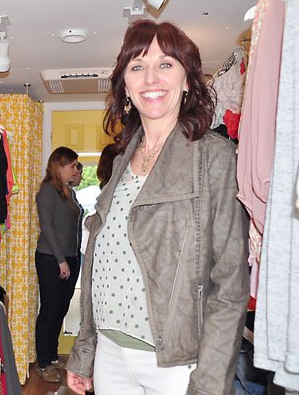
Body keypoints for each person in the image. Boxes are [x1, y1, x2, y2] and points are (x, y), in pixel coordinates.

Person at [66, 20, 249, 395]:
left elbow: (229, 285)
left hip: (176, 363)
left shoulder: (215, 158)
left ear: (186, 80)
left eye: (165, 64)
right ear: (126, 87)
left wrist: (210, 382)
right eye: (137, 67)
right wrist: (85, 351)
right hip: (111, 353)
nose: (151, 78)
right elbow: (100, 260)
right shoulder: (119, 163)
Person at [35, 147, 84, 383]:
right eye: (73, 165)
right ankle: (43, 362)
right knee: (49, 310)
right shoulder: (47, 192)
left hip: (70, 258)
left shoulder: (68, 192)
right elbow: (48, 228)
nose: (76, 169)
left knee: (61, 310)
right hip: (51, 259)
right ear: (60, 166)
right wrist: (61, 260)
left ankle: (52, 356)